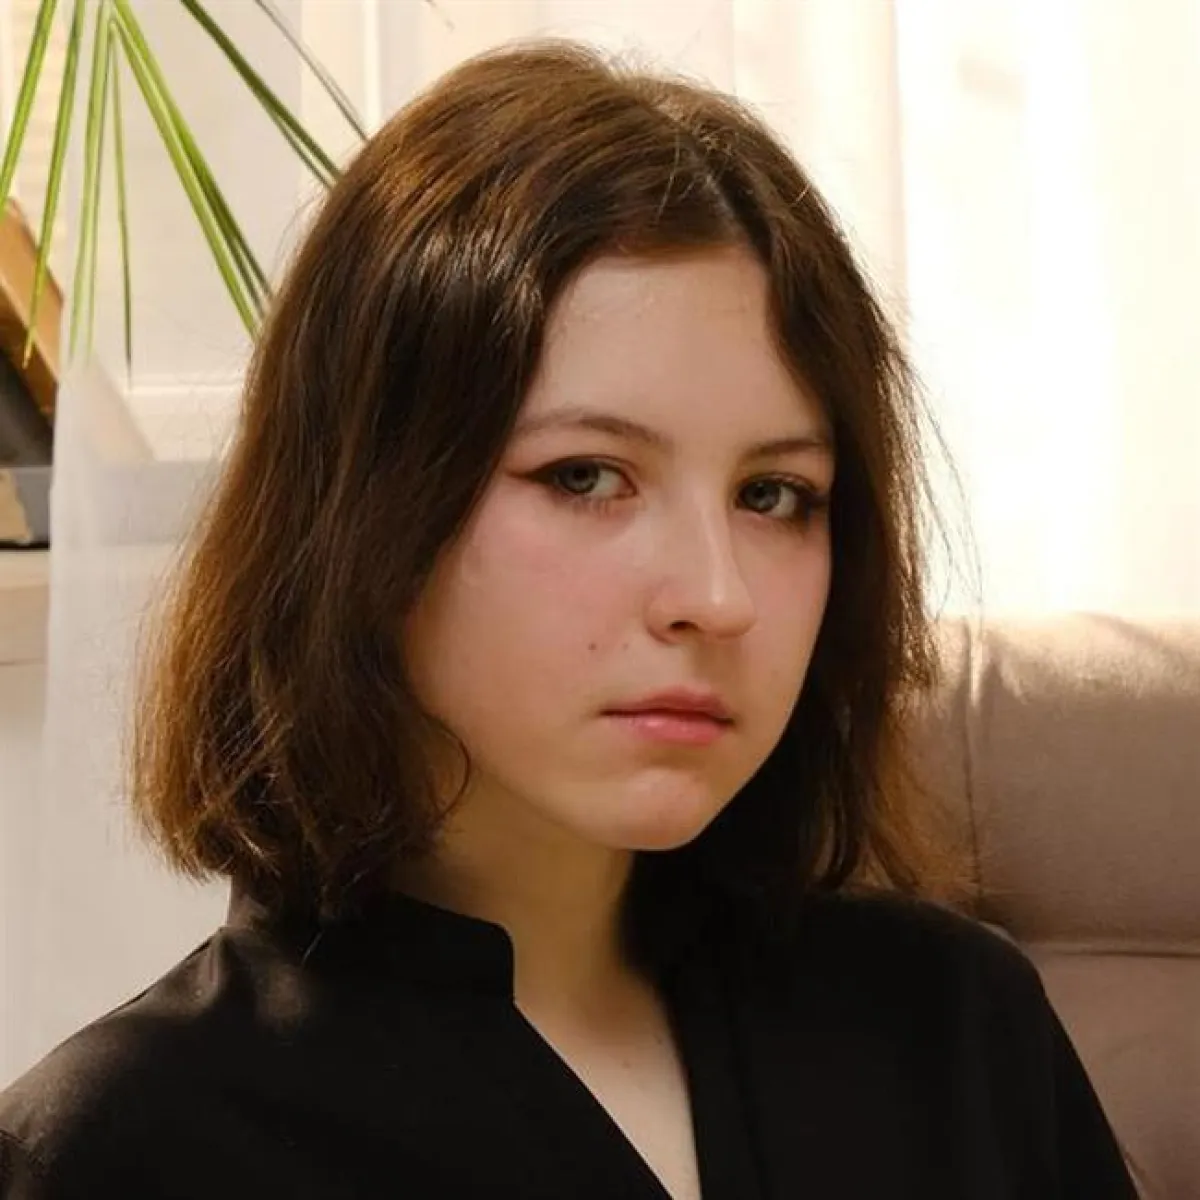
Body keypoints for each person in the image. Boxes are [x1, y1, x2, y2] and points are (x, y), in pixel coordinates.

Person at [0, 38, 1138, 1200]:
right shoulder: (121, 1152)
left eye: (773, 495)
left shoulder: (958, 1032)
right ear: (363, 509)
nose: (717, 596)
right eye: (587, 477)